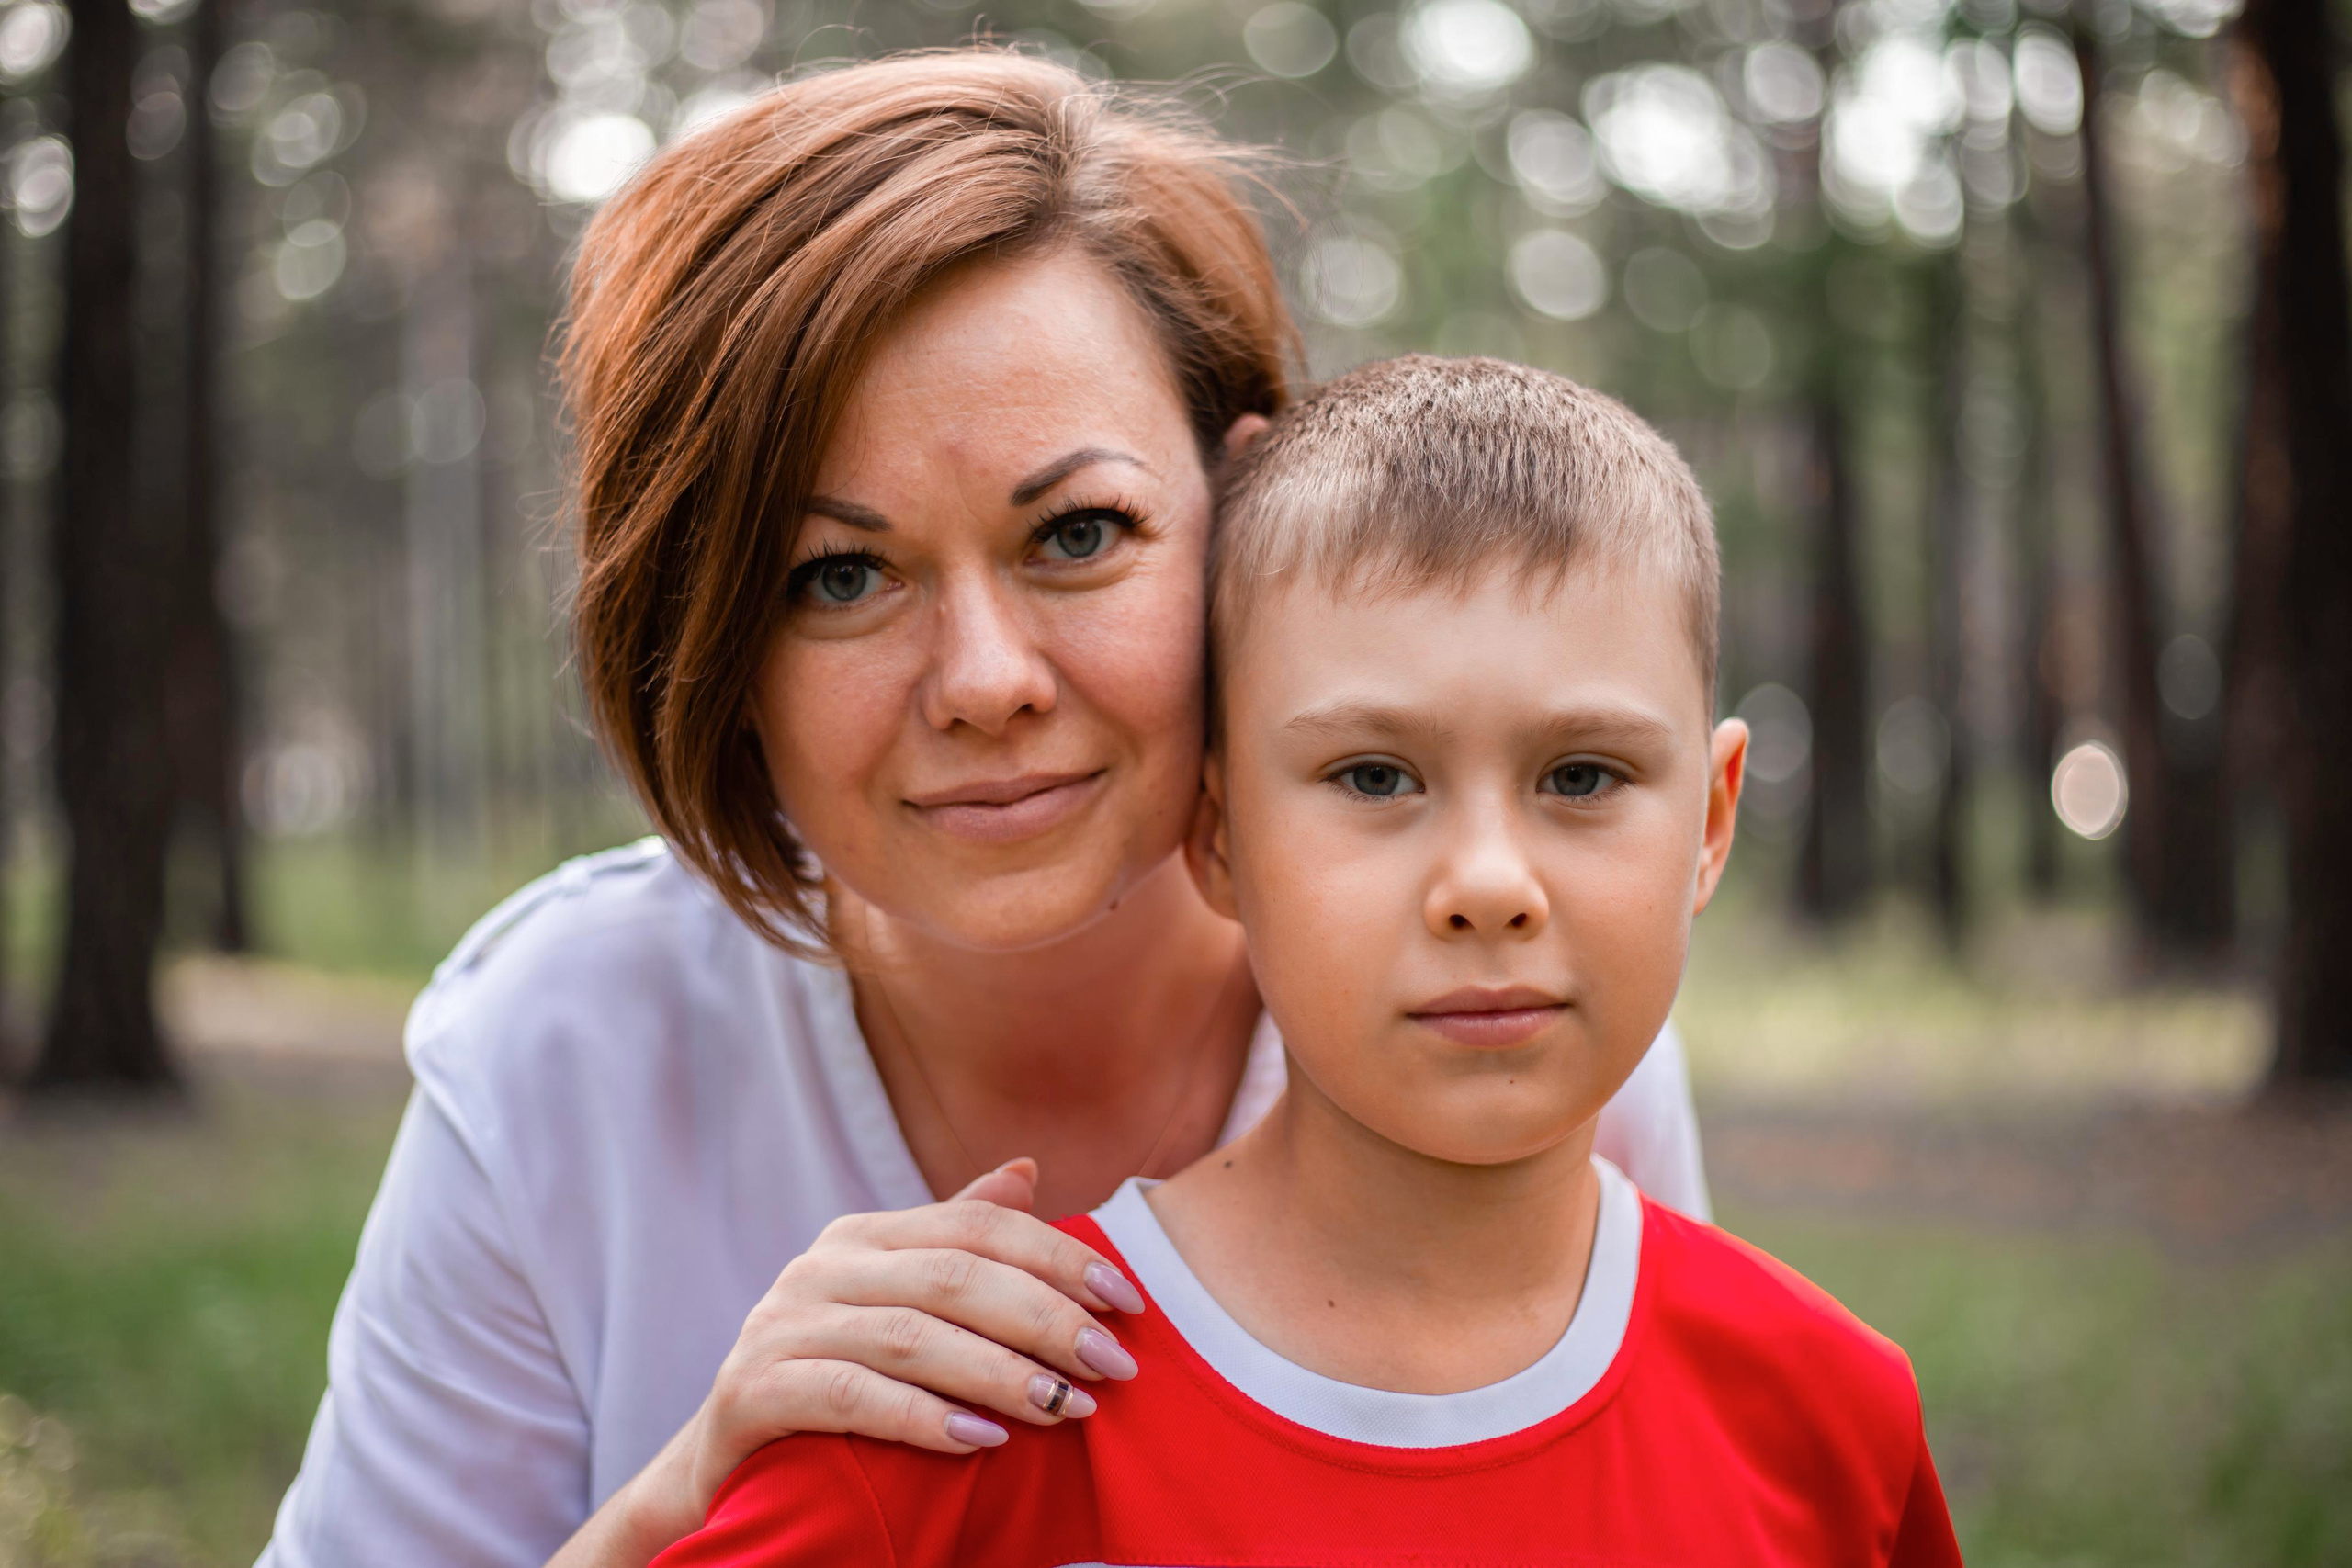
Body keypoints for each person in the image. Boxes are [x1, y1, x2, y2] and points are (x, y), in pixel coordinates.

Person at [256, 54, 1712, 1568]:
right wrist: (683, 1502)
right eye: (839, 576)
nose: (984, 681)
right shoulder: (557, 1058)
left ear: (1245, 511)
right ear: (713, 642)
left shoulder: (1504, 1002)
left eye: (1078, 533)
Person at [649, 356, 1961, 1568]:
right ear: (1218, 837)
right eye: (1375, 776)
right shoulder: (960, 1415)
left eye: (1582, 776)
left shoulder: (1831, 1415)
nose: (1491, 886)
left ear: (1712, 823)